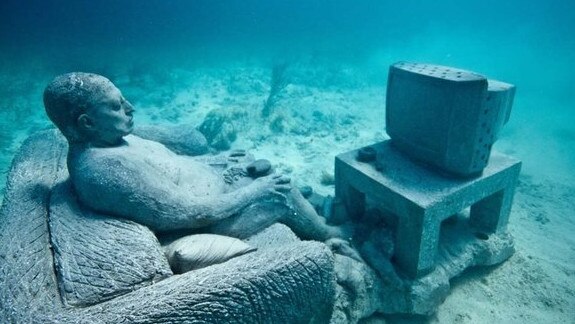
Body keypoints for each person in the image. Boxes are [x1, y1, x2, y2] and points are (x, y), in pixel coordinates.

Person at [43, 72, 346, 241]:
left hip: (214, 188)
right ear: (87, 122)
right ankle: (330, 234)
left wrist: (220, 162)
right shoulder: (105, 170)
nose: (130, 108)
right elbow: (193, 214)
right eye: (116, 106)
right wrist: (257, 189)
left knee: (254, 163)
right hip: (210, 222)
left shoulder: (108, 140)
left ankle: (315, 210)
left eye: (124, 100)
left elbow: (172, 166)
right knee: (280, 193)